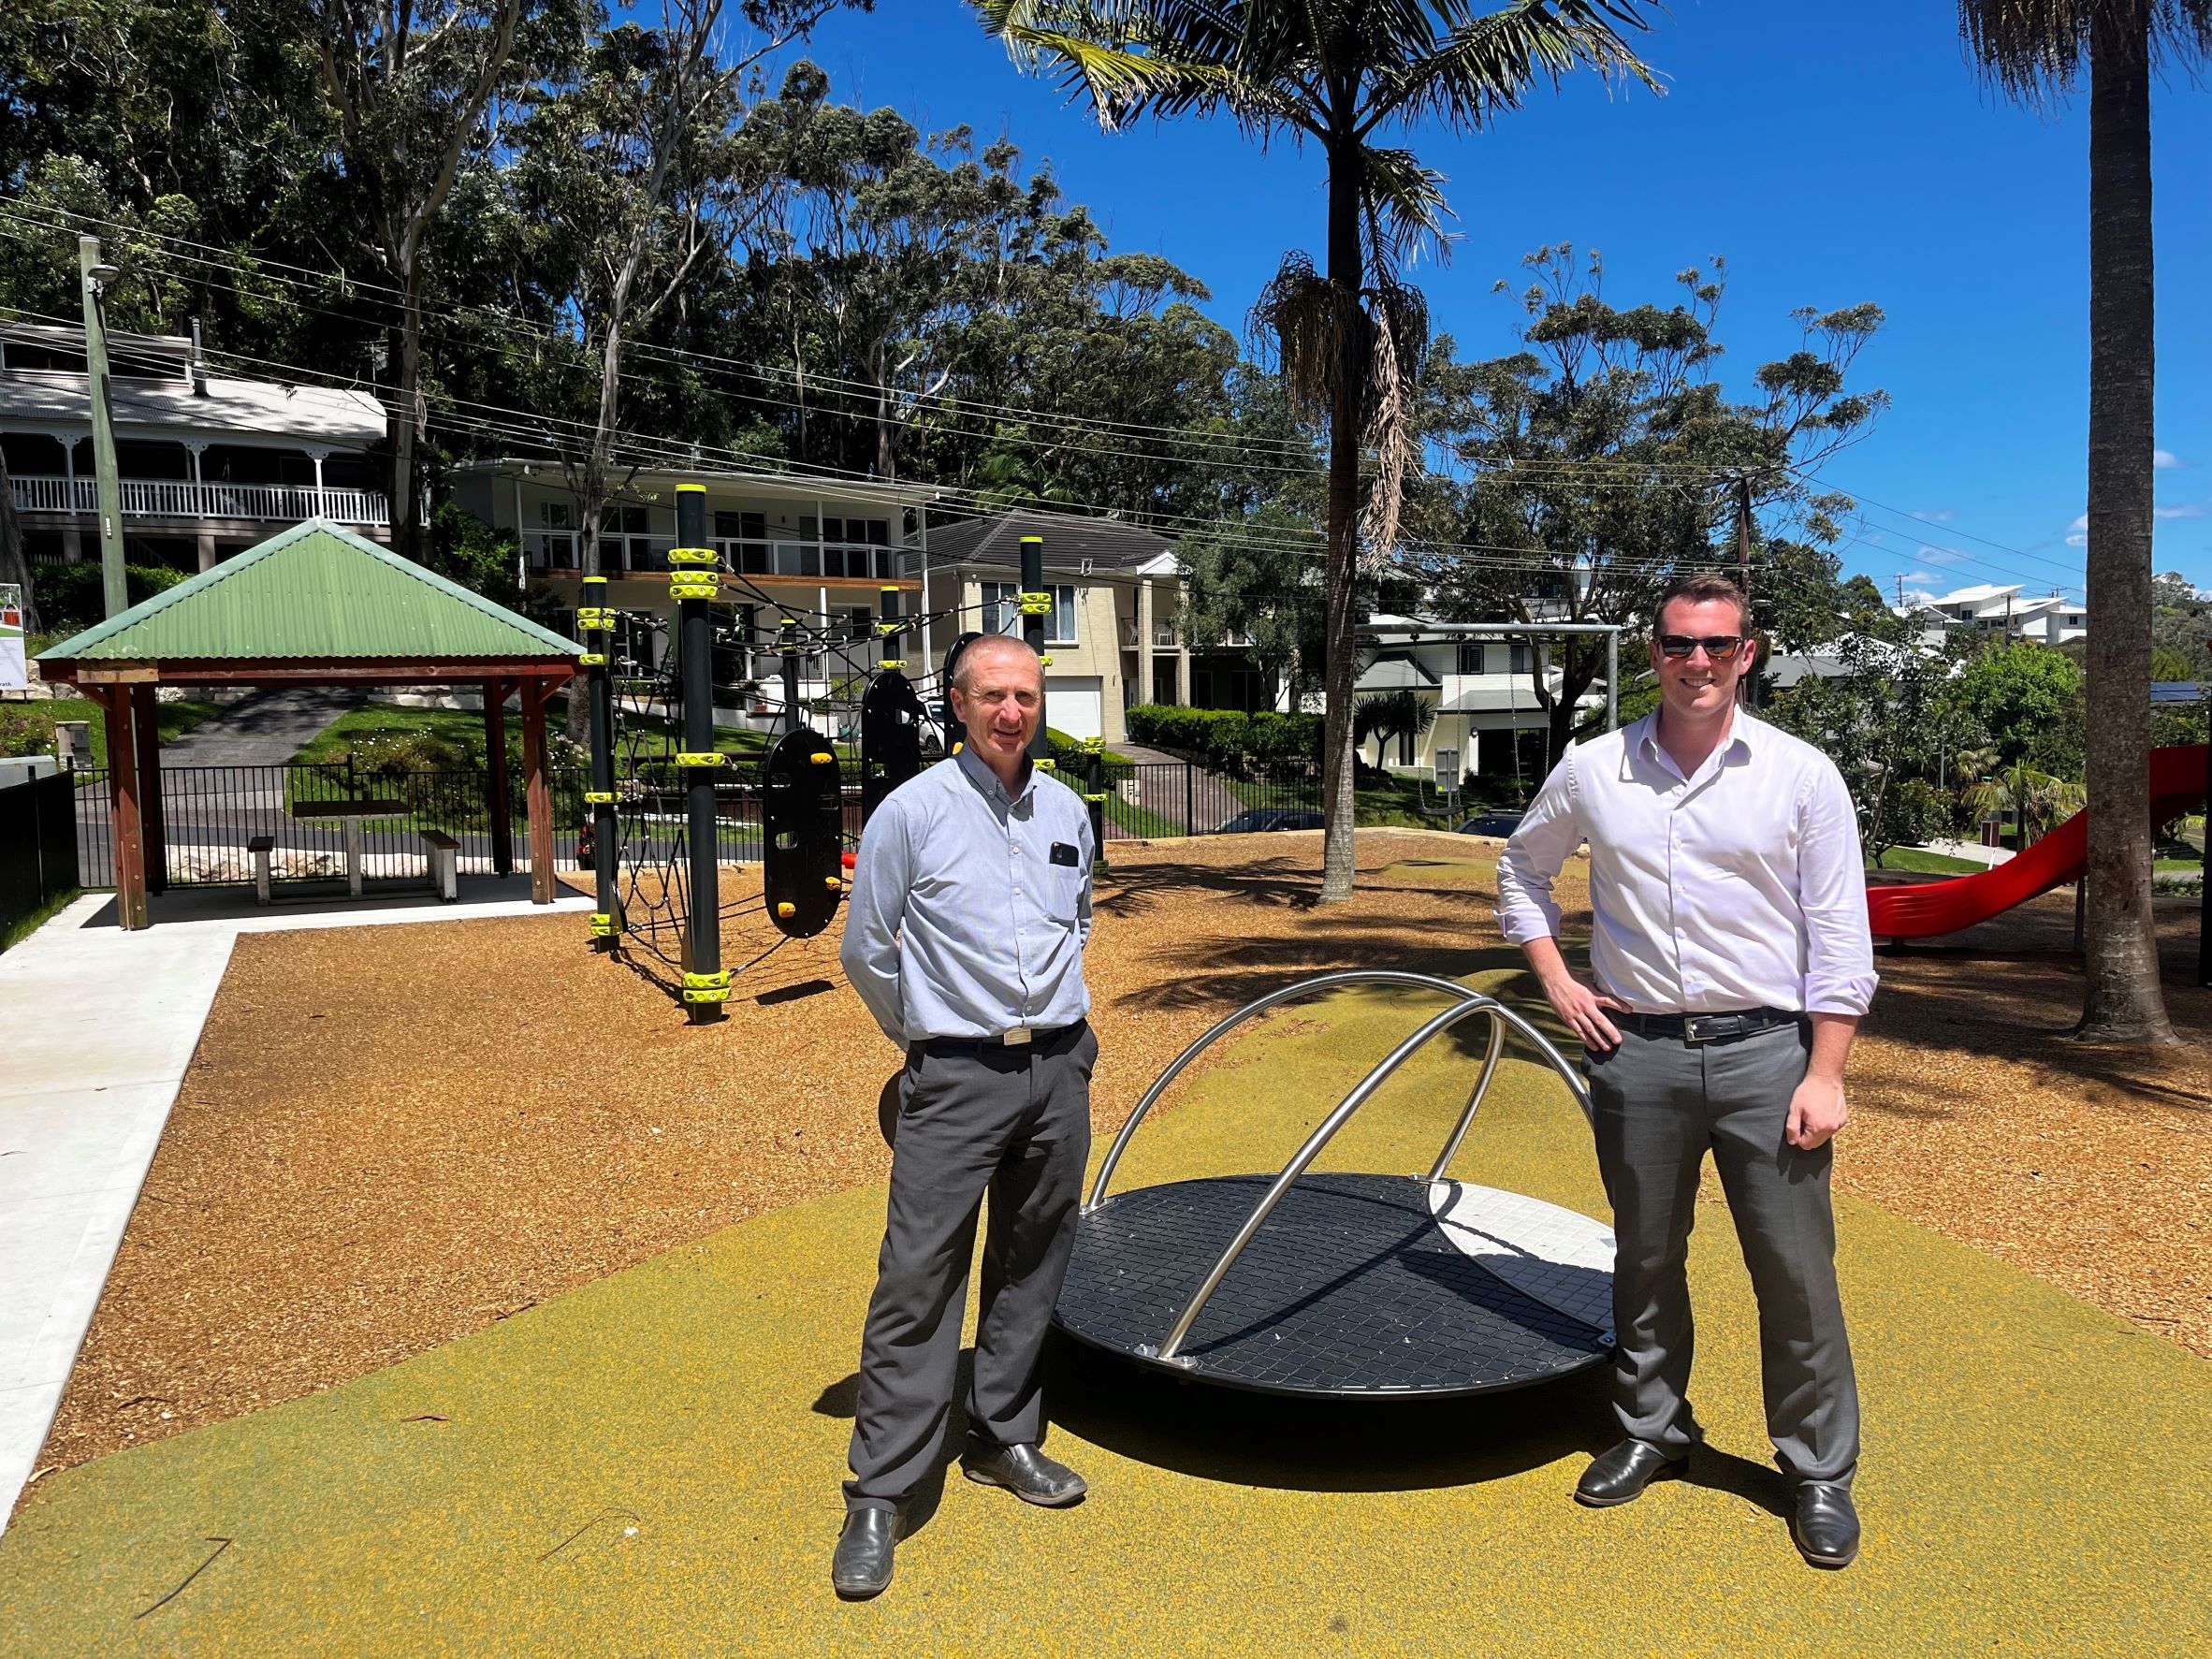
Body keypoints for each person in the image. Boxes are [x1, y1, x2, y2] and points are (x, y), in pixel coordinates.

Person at [1494, 572, 1877, 1570]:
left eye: (1717, 644)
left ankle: (1817, 1470)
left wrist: (1825, 1071)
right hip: (1640, 1055)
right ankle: (1653, 1427)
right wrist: (1559, 982)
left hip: (1767, 1054)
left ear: (1747, 653)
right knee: (1646, 1257)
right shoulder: (1592, 770)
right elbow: (1520, 872)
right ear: (1653, 650)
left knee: (1792, 1272)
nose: (1696, 661)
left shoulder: (1800, 775)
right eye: (1677, 644)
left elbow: (1841, 935)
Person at [831, 632, 1099, 1599]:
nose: (1012, 711)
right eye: (993, 695)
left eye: (1026, 694)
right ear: (957, 703)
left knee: (1034, 1261)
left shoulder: (1068, 808)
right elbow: (867, 947)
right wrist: (931, 1039)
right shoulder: (914, 812)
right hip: (954, 1077)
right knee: (918, 1275)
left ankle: (1002, 1437)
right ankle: (882, 1490)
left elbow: (1078, 919)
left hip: (1059, 1068)